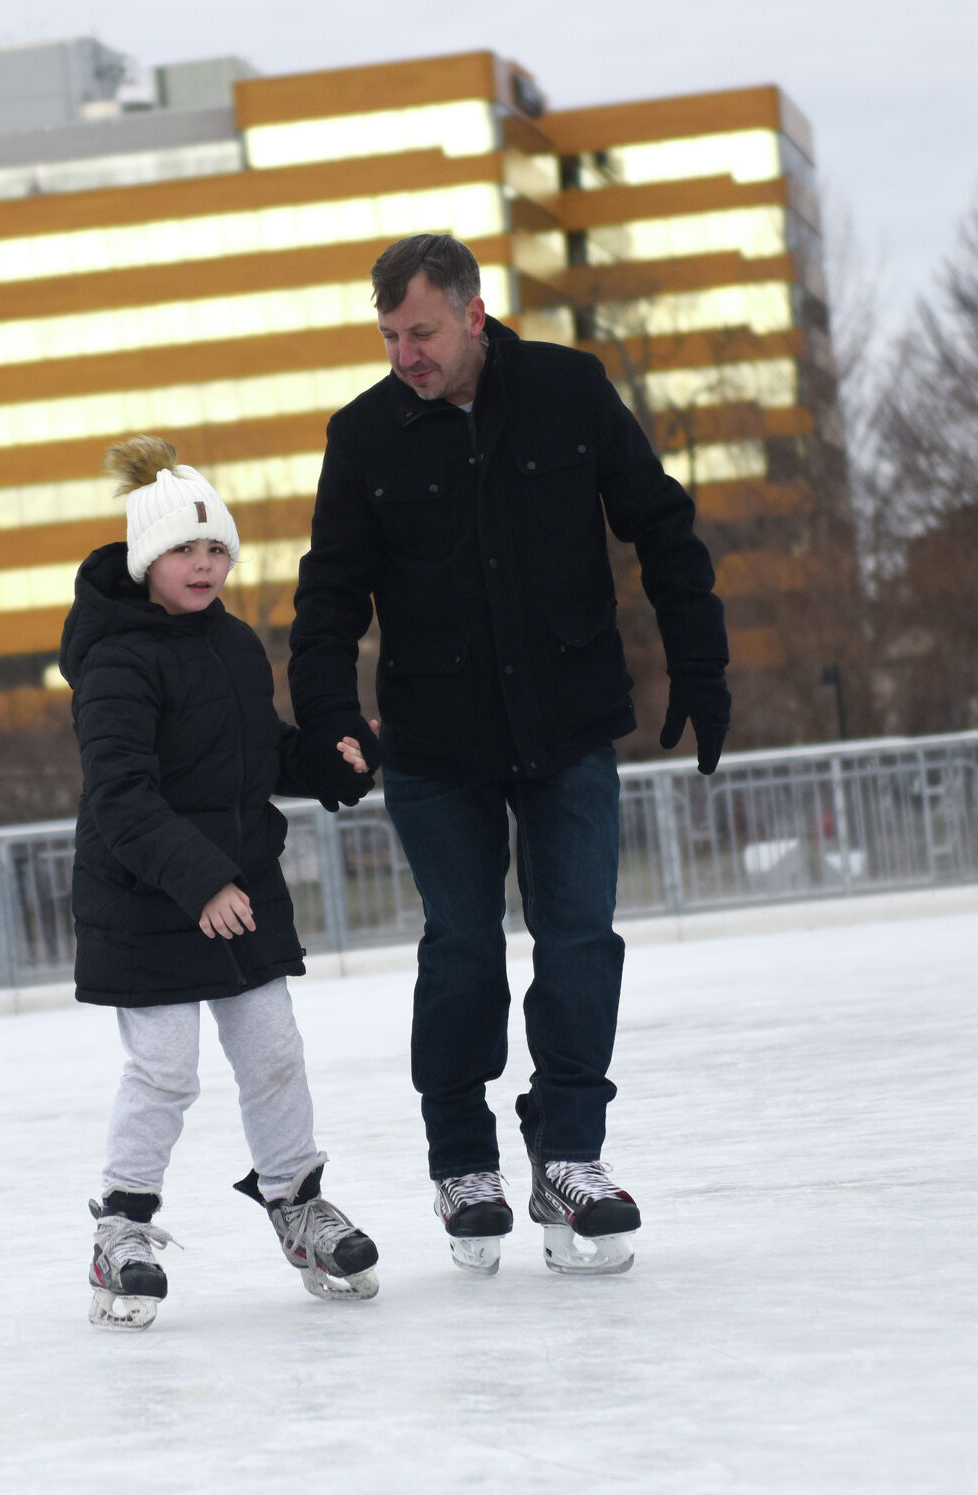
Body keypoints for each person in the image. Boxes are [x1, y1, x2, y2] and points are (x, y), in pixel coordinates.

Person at [288, 234, 732, 1277]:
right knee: (462, 946)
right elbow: (326, 597)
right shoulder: (363, 437)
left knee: (579, 937)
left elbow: (661, 529)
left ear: (474, 314)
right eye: (390, 334)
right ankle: (462, 1163)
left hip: (567, 723)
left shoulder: (568, 391)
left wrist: (699, 668)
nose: (406, 352)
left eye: (423, 331)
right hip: (436, 745)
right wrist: (329, 717)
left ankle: (568, 1151)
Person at [61, 435, 381, 1331]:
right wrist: (201, 882)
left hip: (235, 894)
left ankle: (299, 1203)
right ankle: (121, 1229)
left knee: (275, 1051)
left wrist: (329, 761)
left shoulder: (234, 645)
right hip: (149, 901)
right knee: (164, 1072)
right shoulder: (116, 661)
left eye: (215, 550)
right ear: (143, 558)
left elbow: (253, 754)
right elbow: (121, 795)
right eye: (180, 550)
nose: (202, 565)